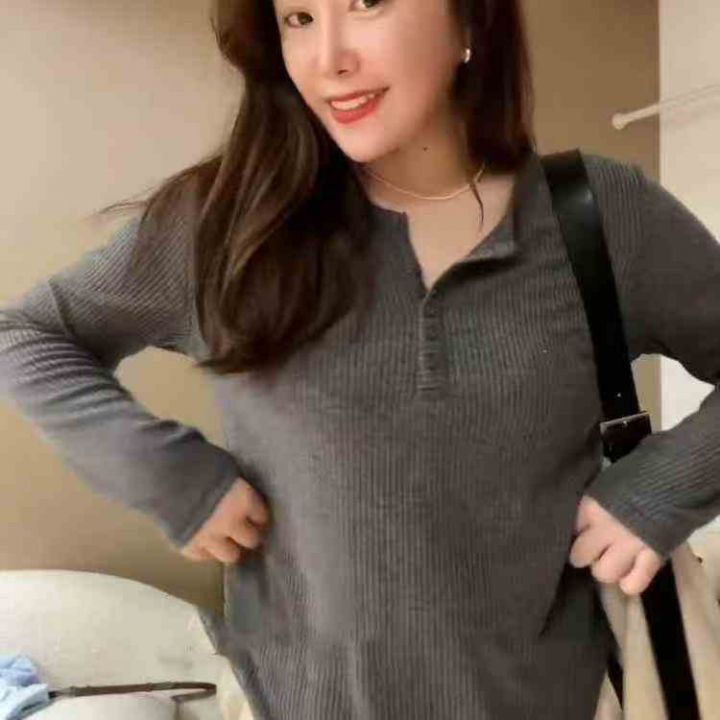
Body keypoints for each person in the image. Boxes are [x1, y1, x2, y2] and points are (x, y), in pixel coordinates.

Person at [1, 0, 719, 718]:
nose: (328, 59)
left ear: (470, 21)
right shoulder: (224, 225)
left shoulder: (599, 215)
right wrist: (167, 475)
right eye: (298, 18)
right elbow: (26, 335)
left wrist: (661, 489)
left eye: (367, 2)